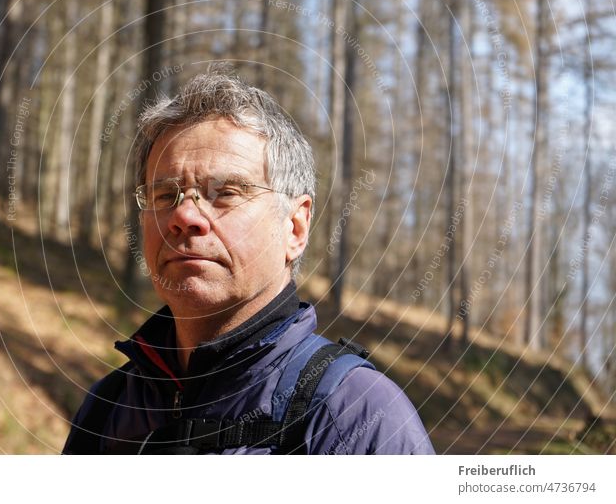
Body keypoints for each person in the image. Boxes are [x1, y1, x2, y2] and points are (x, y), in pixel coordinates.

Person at [63, 69, 434, 454]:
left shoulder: (356, 415)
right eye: (164, 195)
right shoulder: (108, 407)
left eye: (224, 193)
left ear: (294, 227)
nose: (184, 216)